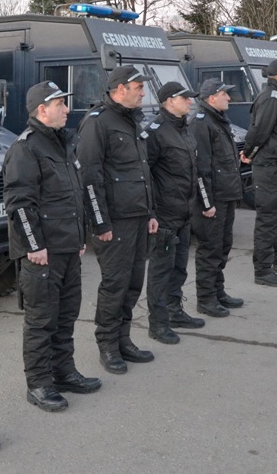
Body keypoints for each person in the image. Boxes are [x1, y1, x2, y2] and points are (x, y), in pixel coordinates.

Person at [3, 81, 101, 413]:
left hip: (68, 247)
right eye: (60, 104)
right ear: (42, 110)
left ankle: (64, 373)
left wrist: (80, 237)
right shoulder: (26, 148)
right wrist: (35, 246)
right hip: (43, 253)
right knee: (41, 321)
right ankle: (39, 384)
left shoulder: (63, 144)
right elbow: (20, 204)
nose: (67, 109)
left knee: (66, 315)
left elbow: (73, 195)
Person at [77, 65, 158, 375]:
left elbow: (143, 172)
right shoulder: (97, 123)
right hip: (115, 221)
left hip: (137, 217)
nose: (143, 93)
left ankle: (124, 340)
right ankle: (108, 345)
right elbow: (89, 177)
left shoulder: (131, 120)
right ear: (121, 89)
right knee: (115, 284)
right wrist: (100, 223)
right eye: (139, 87)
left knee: (133, 283)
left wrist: (150, 213)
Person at [146, 81, 206, 342]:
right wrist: (151, 212)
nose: (190, 102)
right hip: (165, 215)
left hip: (184, 212)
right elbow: (145, 175)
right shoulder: (155, 132)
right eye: (185, 98)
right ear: (170, 101)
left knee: (179, 268)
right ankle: (158, 324)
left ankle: (174, 311)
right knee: (160, 272)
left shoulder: (184, 129)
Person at [190, 77, 249, 315]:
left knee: (223, 246)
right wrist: (207, 203)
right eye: (225, 94)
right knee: (210, 249)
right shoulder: (201, 123)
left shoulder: (218, 119)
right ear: (212, 97)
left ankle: (218, 291)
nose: (229, 98)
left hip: (226, 195)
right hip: (213, 200)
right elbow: (200, 168)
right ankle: (206, 299)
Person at [241, 59, 277, 287]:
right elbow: (259, 131)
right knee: (269, 219)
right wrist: (249, 153)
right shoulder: (271, 98)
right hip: (269, 166)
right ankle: (263, 270)